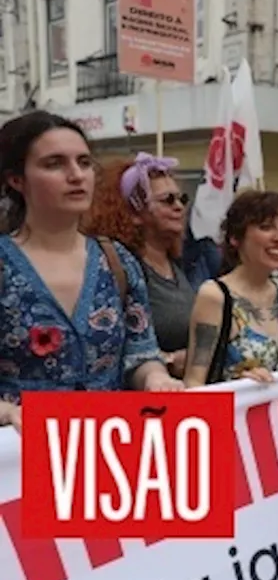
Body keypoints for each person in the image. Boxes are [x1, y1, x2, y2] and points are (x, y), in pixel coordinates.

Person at [0, 112, 182, 429]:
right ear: (17, 179)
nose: (76, 175)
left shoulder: (116, 260)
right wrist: (5, 411)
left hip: (106, 454)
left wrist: (156, 377)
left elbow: (140, 354)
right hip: (19, 460)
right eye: (54, 163)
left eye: (84, 163)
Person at [85, 153, 196, 378]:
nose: (179, 207)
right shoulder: (120, 269)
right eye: (167, 200)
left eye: (181, 199)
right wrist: (167, 361)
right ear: (134, 213)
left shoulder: (176, 265)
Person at [183, 191, 278, 386]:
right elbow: (194, 381)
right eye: (266, 227)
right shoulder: (215, 295)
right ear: (235, 237)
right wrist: (237, 385)